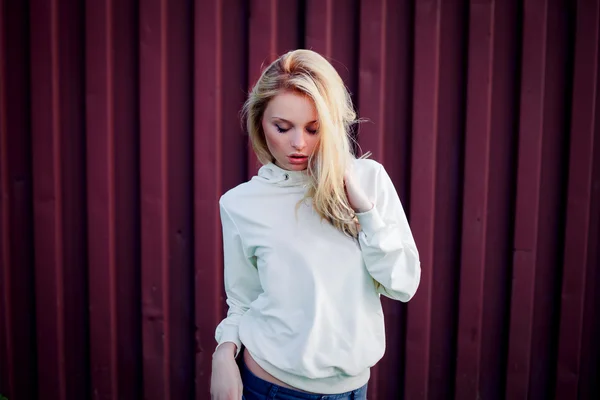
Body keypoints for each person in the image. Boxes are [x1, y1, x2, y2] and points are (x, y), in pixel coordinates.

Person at [210, 49, 421, 400]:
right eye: (282, 127)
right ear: (260, 123)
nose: (298, 143)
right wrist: (223, 353)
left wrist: (364, 210)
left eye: (313, 128)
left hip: (354, 390)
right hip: (270, 387)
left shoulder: (369, 180)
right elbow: (244, 299)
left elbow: (403, 284)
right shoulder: (239, 204)